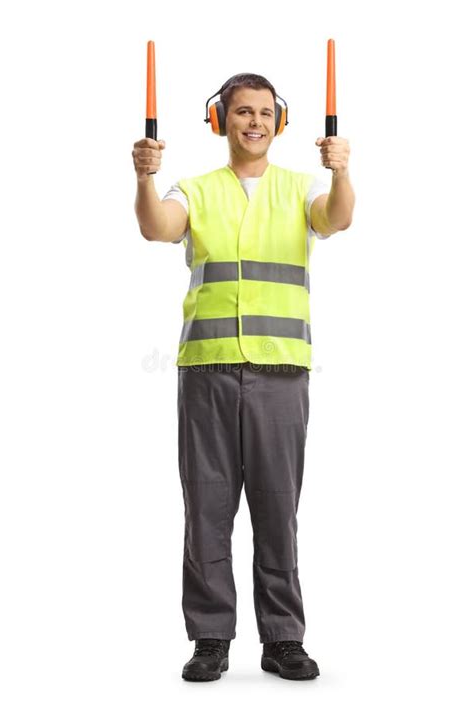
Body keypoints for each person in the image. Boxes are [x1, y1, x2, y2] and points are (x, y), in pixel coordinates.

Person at [132, 73, 355, 682]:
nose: (253, 122)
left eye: (263, 113)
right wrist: (144, 175)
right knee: (205, 506)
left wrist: (341, 171)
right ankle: (211, 637)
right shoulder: (195, 189)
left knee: (277, 508)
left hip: (281, 371)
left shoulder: (300, 187)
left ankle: (283, 638)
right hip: (206, 370)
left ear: (278, 122)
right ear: (219, 121)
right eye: (241, 113)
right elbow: (156, 226)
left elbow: (336, 219)